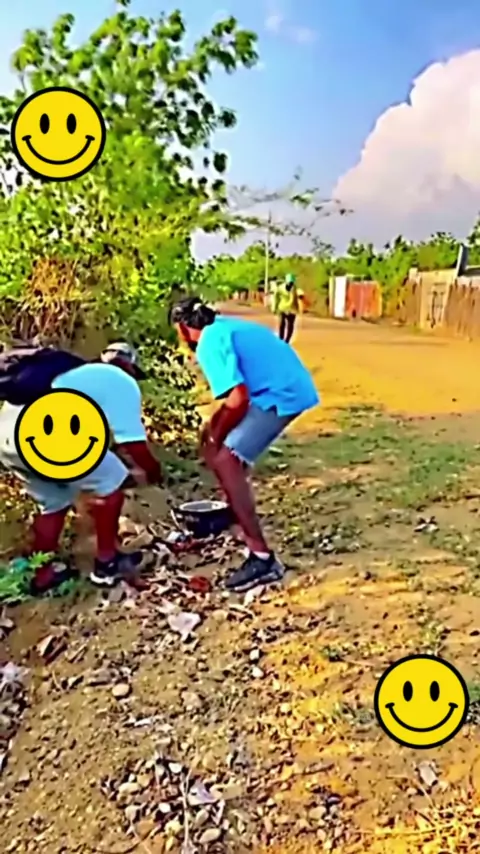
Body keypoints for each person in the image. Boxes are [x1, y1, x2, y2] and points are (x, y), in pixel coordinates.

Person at [169, 297, 319, 592]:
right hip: (284, 387)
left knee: (227, 458)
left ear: (183, 328)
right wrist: (213, 429)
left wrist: (216, 434)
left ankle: (262, 559)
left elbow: (238, 399)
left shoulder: (209, 342)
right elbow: (235, 399)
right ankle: (235, 514)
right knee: (223, 450)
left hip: (283, 394)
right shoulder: (222, 327)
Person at [0, 342, 162, 595]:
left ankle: (43, 576)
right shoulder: (120, 381)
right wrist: (154, 473)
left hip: (8, 440)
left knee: (53, 504)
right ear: (128, 366)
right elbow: (133, 444)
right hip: (45, 434)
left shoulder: (71, 374)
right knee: (112, 481)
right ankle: (107, 564)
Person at [273, 273, 300, 343]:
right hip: (282, 308)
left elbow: (293, 299)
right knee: (281, 323)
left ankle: (287, 340)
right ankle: (280, 339)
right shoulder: (280, 288)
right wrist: (274, 307)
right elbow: (276, 298)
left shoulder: (294, 288)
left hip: (292, 309)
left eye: (292, 283)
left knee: (290, 325)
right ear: (286, 281)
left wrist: (292, 309)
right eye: (289, 282)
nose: (290, 284)